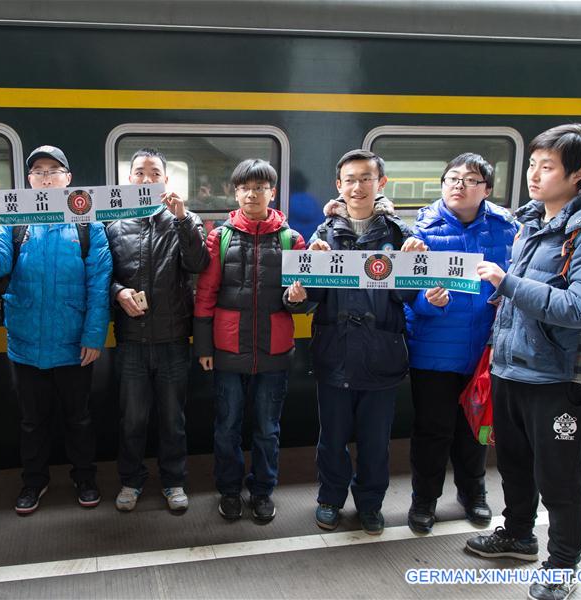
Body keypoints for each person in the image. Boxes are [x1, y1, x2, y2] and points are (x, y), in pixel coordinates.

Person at [468, 124, 581, 600]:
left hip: (561, 374)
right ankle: (518, 535)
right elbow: (529, 294)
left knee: (559, 477)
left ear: (578, 174)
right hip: (512, 366)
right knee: (514, 464)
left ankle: (562, 565)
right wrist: (504, 303)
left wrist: (508, 285)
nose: (534, 175)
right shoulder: (533, 221)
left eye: (547, 167)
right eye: (533, 164)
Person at [0, 145, 112, 513]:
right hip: (26, 343)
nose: (46, 177)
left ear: (68, 179)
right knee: (31, 422)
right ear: (29, 181)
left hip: (74, 343)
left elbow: (99, 283)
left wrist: (94, 336)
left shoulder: (88, 225)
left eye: (53, 171)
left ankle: (85, 477)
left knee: (79, 418)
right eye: (38, 172)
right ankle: (34, 482)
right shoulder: (15, 223)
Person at [402, 153, 518, 534]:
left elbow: (520, 283)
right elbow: (407, 298)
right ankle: (424, 500)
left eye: (470, 180)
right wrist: (428, 302)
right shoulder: (420, 233)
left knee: (476, 429)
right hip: (433, 351)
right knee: (432, 430)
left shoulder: (507, 230)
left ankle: (473, 493)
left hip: (484, 353)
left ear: (486, 189)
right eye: (452, 178)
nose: (458, 185)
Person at [304, 150, 416, 535]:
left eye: (365, 178)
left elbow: (408, 298)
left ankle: (370, 504)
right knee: (331, 439)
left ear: (380, 184)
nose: (357, 186)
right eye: (349, 180)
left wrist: (413, 269)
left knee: (374, 442)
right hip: (334, 353)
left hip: (380, 356)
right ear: (339, 186)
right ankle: (330, 499)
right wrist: (301, 286)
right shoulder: (323, 235)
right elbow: (309, 299)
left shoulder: (401, 236)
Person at [194, 158, 307, 523]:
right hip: (228, 350)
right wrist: (204, 348)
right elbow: (206, 294)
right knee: (226, 426)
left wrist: (296, 298)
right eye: (245, 187)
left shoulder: (292, 239)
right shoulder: (220, 236)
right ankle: (229, 490)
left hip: (273, 351)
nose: (252, 194)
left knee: (267, 429)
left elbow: (301, 304)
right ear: (236, 192)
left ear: (272, 193)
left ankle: (261, 491)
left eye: (260, 188)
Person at [105, 148, 209, 512]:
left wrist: (181, 220)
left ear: (166, 179)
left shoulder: (185, 219)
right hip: (132, 339)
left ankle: (173, 481)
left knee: (172, 418)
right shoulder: (114, 223)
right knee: (131, 418)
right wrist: (118, 293)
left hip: (173, 339)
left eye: (154, 173)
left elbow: (198, 263)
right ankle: (130, 481)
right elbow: (102, 277)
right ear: (128, 180)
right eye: (139, 173)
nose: (146, 180)